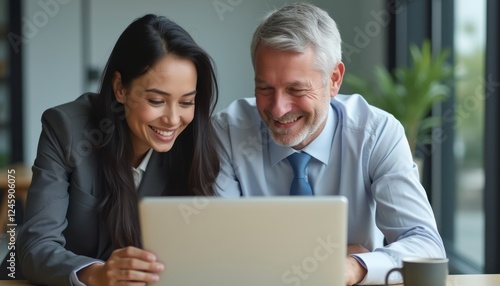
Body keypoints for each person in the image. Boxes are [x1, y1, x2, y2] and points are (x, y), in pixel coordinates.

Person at [213, 3, 446, 285]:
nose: (277, 108)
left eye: (296, 89)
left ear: (334, 79)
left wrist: (353, 267)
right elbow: (219, 251)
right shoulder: (226, 132)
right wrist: (334, 256)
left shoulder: (376, 134)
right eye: (264, 88)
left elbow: (425, 245)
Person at [17, 14, 220, 285]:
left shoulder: (194, 143)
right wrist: (97, 274)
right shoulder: (67, 130)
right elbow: (35, 248)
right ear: (120, 89)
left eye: (186, 103)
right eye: (157, 100)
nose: (173, 119)